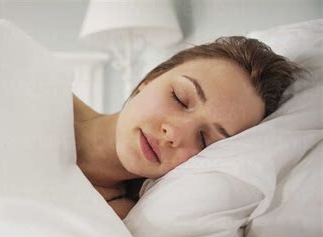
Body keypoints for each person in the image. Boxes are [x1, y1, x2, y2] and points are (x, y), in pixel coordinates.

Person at [73, 36, 304, 220]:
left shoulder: (117, 217)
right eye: (180, 99)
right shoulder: (41, 91)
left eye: (204, 140)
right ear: (151, 79)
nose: (173, 134)